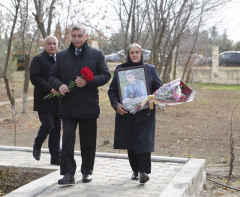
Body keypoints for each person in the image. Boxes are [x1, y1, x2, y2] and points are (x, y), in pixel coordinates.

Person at [49, 24, 111, 185]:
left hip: (88, 105)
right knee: (68, 139)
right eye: (74, 36)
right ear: (71, 37)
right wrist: (59, 85)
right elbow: (52, 76)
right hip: (67, 106)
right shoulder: (61, 56)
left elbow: (105, 75)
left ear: (86, 37)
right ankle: (68, 173)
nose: (77, 39)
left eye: (80, 36)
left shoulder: (96, 55)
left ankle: (87, 172)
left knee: (88, 141)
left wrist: (89, 81)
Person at [108, 43, 162, 184]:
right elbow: (112, 90)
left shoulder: (150, 69)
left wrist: (154, 98)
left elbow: (159, 88)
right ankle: (135, 170)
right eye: (132, 52)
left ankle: (144, 171)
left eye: (137, 52)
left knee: (143, 141)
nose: (134, 54)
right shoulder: (121, 70)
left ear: (141, 54)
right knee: (130, 142)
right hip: (127, 112)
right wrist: (116, 105)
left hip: (145, 113)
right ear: (128, 54)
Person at [30, 35, 61, 165]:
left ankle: (55, 157)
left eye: (54, 43)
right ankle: (37, 145)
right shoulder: (38, 59)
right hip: (44, 100)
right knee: (48, 124)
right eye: (49, 43)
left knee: (56, 129)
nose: (52, 46)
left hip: (58, 101)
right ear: (45, 46)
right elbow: (35, 78)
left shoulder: (60, 59)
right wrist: (50, 89)